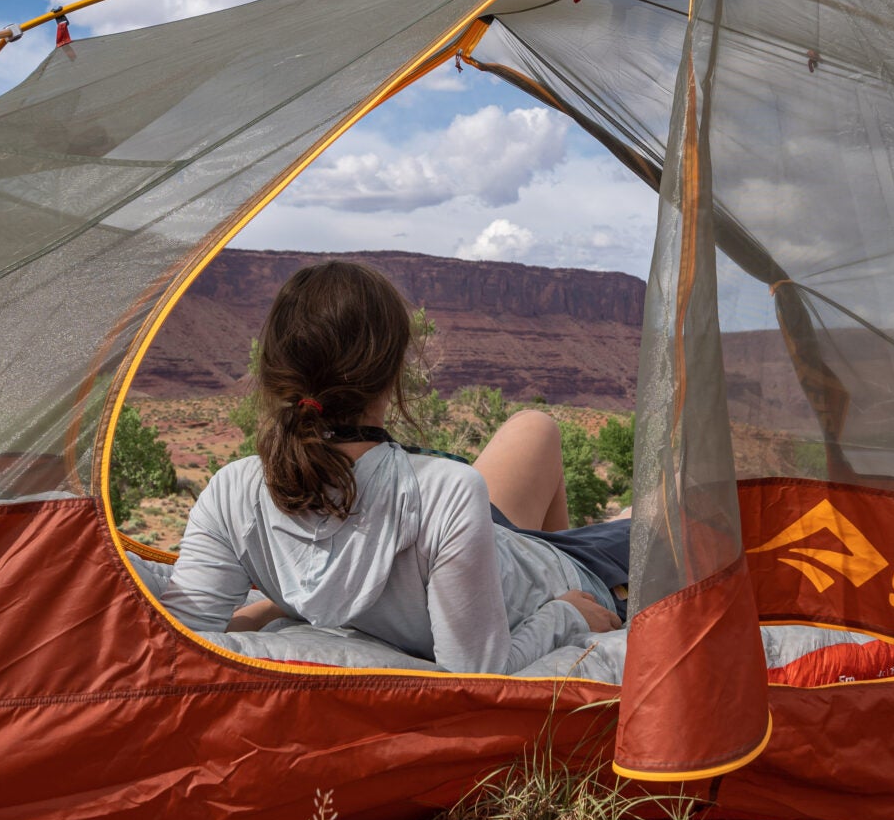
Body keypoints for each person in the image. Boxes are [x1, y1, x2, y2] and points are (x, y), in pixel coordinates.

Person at [162, 260, 625, 674]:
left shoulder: (230, 491)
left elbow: (180, 639)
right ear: (393, 372)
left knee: (535, 426)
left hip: (489, 546)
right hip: (563, 576)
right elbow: (478, 671)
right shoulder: (446, 490)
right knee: (640, 518)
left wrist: (272, 610)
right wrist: (566, 614)